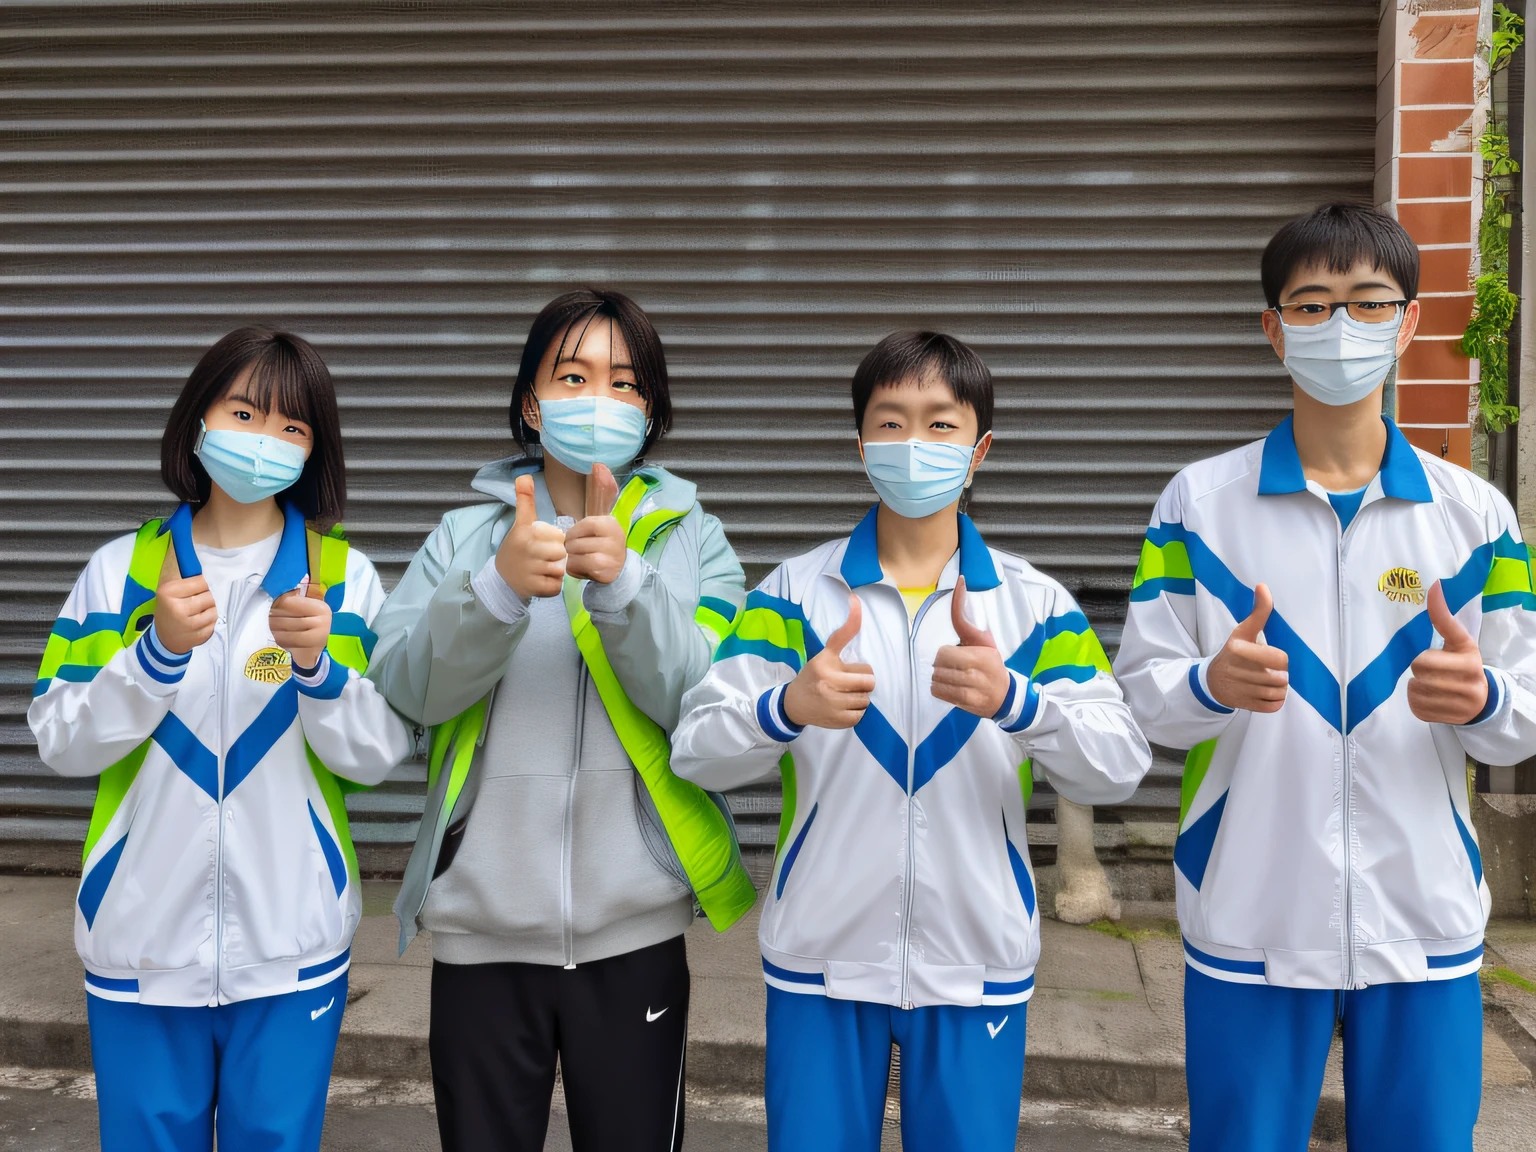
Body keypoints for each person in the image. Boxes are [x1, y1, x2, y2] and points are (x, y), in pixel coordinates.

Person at [1113, 203, 1536, 1152]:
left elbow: (1525, 713)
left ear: (1410, 320)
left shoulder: (1478, 518)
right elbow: (1142, 698)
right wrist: (1212, 684)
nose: (1341, 328)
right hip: (1252, 915)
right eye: (1312, 305)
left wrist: (1488, 699)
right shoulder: (1199, 506)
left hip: (1421, 922)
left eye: (1368, 302)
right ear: (1273, 329)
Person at [670, 331, 1152, 1152]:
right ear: (860, 444)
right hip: (820, 959)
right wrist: (786, 705)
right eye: (890, 424)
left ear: (980, 448)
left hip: (978, 965)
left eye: (940, 425)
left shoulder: (1032, 606)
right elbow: (697, 749)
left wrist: (1020, 701)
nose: (914, 445)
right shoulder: (794, 594)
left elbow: (1119, 766)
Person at [368, 287, 754, 1152]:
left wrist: (626, 589)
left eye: (624, 382)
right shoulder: (463, 537)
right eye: (572, 376)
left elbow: (712, 705)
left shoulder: (696, 541)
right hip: (480, 937)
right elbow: (403, 689)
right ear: (532, 402)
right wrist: (496, 590)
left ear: (650, 408)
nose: (597, 400)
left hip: (635, 934)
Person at [28, 327, 413, 1152]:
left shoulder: (344, 580)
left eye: (291, 427)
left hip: (293, 947)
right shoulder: (119, 573)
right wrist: (153, 655)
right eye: (242, 412)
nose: (262, 441)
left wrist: (316, 666)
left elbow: (378, 755)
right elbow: (60, 740)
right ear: (196, 420)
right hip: (139, 947)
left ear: (315, 449)